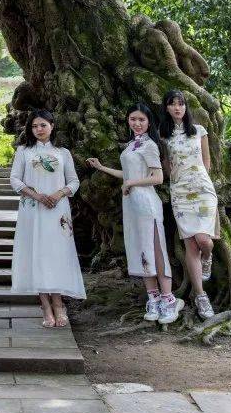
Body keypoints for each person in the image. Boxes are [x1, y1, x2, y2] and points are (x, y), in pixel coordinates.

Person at [87, 103, 183, 325]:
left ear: (149, 122)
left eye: (141, 120)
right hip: (132, 203)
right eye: (133, 119)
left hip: (147, 202)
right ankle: (153, 297)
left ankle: (169, 299)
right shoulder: (131, 145)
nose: (137, 124)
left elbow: (158, 178)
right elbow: (128, 174)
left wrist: (131, 182)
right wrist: (102, 168)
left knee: (156, 249)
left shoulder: (149, 145)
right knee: (140, 249)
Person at [10, 108, 86, 328]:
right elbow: (15, 180)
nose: (39, 129)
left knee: (58, 253)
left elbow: (73, 181)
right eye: (34, 126)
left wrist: (57, 194)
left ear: (52, 126)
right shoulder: (24, 151)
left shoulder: (63, 153)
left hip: (58, 210)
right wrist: (37, 195)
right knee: (37, 253)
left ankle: (59, 303)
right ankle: (45, 305)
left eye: (43, 125)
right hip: (32, 209)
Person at [160, 89, 218, 320]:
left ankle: (209, 257)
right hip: (180, 192)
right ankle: (201, 297)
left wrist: (199, 179)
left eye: (181, 104)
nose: (177, 108)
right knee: (190, 247)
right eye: (173, 104)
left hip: (202, 190)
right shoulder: (163, 136)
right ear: (166, 108)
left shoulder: (199, 131)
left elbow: (207, 162)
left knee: (204, 241)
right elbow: (166, 166)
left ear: (186, 107)